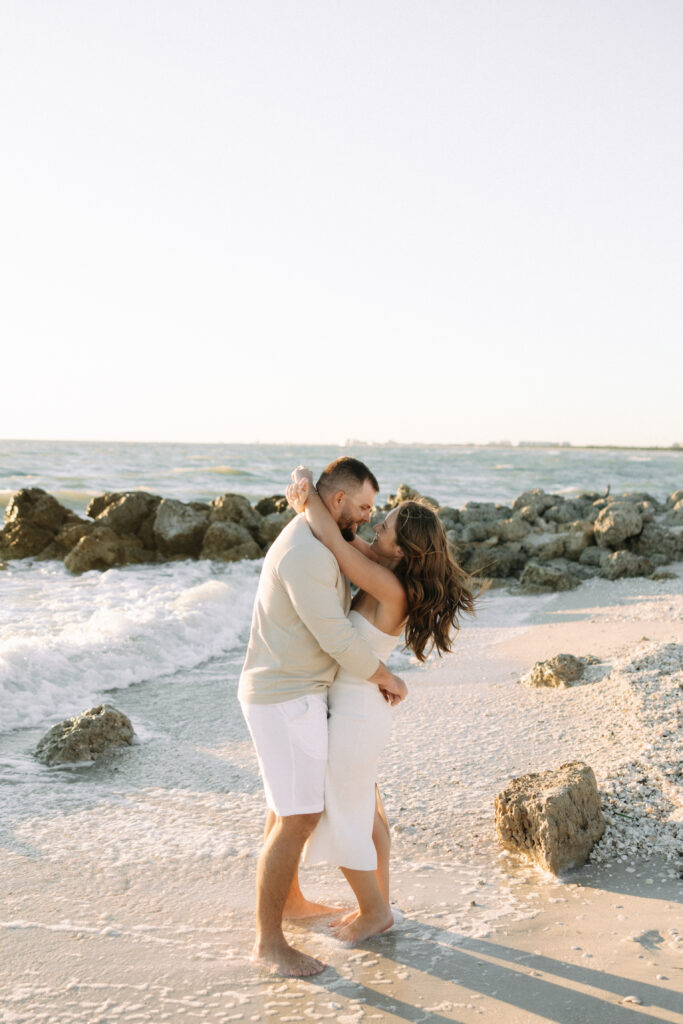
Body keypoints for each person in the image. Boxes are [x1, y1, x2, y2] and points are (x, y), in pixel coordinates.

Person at [285, 465, 477, 945]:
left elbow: (333, 542)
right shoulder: (386, 571)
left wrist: (308, 495)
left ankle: (374, 913)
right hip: (358, 709)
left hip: (355, 714)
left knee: (347, 813)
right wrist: (308, 503)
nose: (374, 526)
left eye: (384, 525)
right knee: (367, 815)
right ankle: (381, 904)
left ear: (402, 549)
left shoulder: (390, 587)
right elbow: (342, 539)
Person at [238, 457, 408, 979]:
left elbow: (346, 550)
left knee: (284, 809)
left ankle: (289, 904)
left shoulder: (319, 535)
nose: (367, 519)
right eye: (362, 507)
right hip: (286, 696)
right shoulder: (307, 553)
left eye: (375, 513)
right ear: (338, 503)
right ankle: (270, 943)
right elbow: (336, 638)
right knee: (297, 818)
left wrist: (309, 494)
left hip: (300, 693)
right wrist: (386, 677)